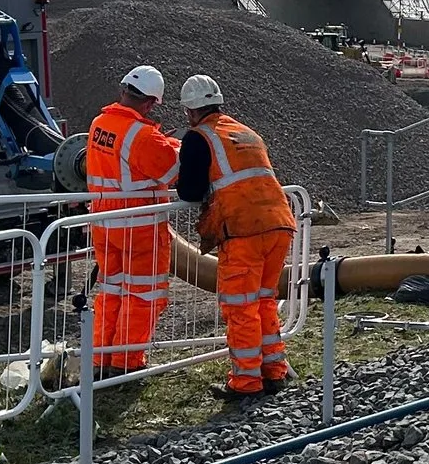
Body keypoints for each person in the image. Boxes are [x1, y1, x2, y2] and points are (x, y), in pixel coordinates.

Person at [176, 74, 299, 398]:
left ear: (190, 111)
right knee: (263, 300)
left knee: (240, 306)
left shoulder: (198, 137)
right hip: (279, 223)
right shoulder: (245, 132)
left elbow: (189, 189)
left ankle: (245, 382)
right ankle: (274, 371)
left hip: (244, 230)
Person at [85, 65, 180, 376]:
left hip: (104, 223)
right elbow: (170, 170)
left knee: (112, 290)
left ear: (123, 91)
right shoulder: (140, 134)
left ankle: (101, 358)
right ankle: (125, 364)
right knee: (143, 295)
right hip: (138, 227)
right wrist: (177, 146)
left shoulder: (99, 123)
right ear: (150, 103)